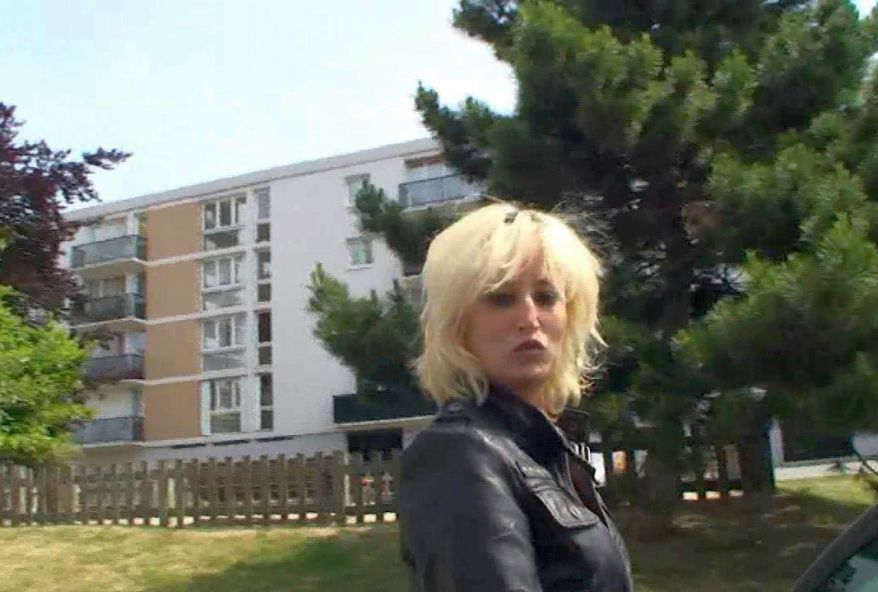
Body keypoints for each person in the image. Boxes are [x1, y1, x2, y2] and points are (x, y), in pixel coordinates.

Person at [399, 202, 634, 592]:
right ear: (458, 324)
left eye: (546, 296)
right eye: (501, 298)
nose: (530, 318)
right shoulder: (460, 452)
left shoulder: (544, 448)